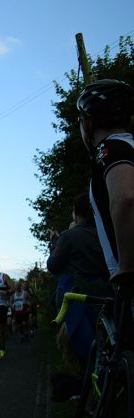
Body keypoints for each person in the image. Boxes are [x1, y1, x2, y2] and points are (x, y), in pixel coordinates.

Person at [77, 79, 134, 284]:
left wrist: (127, 266)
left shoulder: (110, 149)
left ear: (88, 122)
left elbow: (126, 198)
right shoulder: (128, 145)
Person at [46, 193, 111, 371]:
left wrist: (54, 243)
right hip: (105, 294)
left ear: (75, 213)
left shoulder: (69, 236)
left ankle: (86, 384)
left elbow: (53, 266)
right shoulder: (106, 235)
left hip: (76, 296)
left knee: (79, 342)